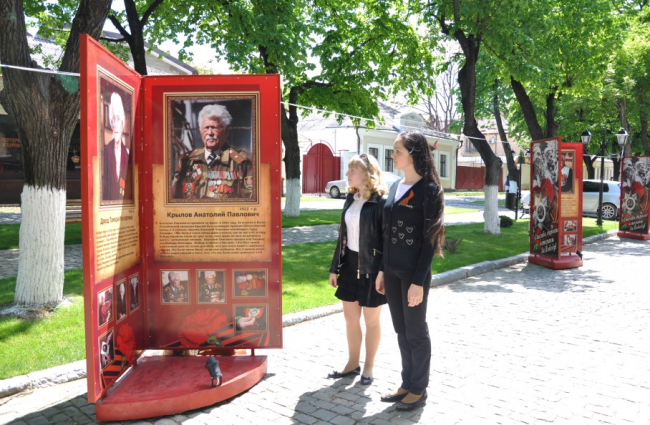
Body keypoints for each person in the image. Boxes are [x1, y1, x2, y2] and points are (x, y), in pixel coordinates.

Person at [376, 131, 445, 410]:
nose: (393, 155)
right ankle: (406, 383)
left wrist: (418, 281)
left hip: (414, 275)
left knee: (415, 331)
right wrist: (382, 270)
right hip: (392, 271)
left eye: (398, 151)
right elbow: (386, 233)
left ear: (413, 154)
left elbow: (430, 240)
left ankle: (419, 388)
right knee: (401, 330)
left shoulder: (429, 190)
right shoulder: (395, 186)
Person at [328, 153, 387, 386]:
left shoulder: (380, 202)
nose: (347, 174)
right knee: (350, 320)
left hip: (371, 268)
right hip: (350, 265)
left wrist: (382, 271)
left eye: (352, 170)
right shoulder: (350, 199)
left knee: (371, 321)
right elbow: (342, 236)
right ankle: (353, 363)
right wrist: (334, 267)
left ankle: (369, 366)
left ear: (366, 174)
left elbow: (386, 241)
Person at [172, 104, 253, 200]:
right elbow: (174, 199)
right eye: (206, 127)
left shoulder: (241, 163)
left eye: (215, 127)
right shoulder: (186, 161)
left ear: (226, 131)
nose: (210, 133)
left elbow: (250, 202)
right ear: (200, 130)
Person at [103, 92, 132, 201]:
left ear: (122, 124)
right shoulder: (106, 152)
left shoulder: (127, 154)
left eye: (118, 119)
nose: (115, 124)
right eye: (113, 119)